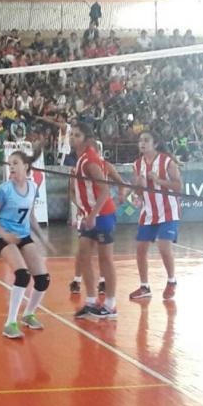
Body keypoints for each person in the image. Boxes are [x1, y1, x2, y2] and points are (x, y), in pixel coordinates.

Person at [0, 151, 55, 339]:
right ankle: (10, 323)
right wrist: (5, 235)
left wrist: (42, 238)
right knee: (22, 275)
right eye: (10, 164)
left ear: (26, 166)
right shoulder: (4, 190)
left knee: (43, 279)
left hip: (23, 235)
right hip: (4, 236)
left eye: (15, 163)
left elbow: (31, 216)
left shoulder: (32, 188)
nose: (12, 167)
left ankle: (28, 314)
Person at [70, 122, 118, 320]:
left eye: (77, 135)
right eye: (71, 134)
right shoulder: (80, 159)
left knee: (105, 258)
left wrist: (92, 215)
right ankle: (90, 301)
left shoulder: (90, 160)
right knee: (83, 256)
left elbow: (105, 189)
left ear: (87, 139)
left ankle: (110, 304)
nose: (72, 138)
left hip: (102, 215)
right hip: (88, 214)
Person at [128, 131, 182, 302]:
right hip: (149, 212)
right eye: (140, 141)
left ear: (155, 143)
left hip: (168, 211)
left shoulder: (167, 162)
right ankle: (145, 286)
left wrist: (159, 181)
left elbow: (179, 187)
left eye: (146, 140)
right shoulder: (136, 165)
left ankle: (171, 281)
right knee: (140, 249)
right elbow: (137, 192)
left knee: (163, 246)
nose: (142, 143)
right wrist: (139, 186)